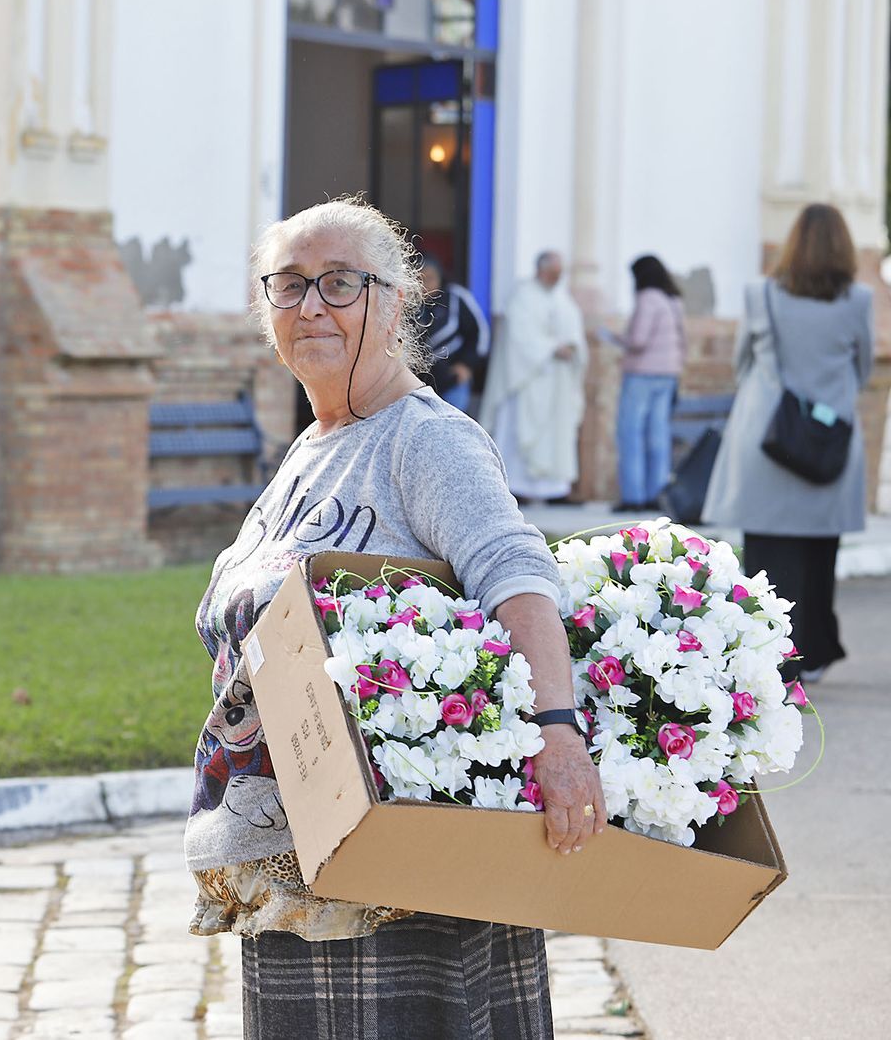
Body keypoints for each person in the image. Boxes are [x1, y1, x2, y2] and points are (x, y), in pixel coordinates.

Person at [187, 196, 605, 1038]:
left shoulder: (425, 439)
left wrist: (559, 734)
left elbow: (518, 575)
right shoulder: (309, 449)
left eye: (340, 284)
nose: (310, 306)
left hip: (402, 880)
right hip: (294, 868)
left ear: (396, 301)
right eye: (290, 284)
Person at [704, 203, 872, 685]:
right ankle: (815, 652)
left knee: (765, 558)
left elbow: (742, 365)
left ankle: (771, 653)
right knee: (820, 555)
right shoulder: (858, 300)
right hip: (829, 445)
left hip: (769, 440)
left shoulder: (761, 295)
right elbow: (861, 368)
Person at [481, 250, 588, 504]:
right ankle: (519, 487)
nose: (556, 278)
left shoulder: (562, 299)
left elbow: (575, 334)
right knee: (521, 433)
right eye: (553, 273)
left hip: (557, 383)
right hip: (528, 380)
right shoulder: (523, 297)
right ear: (540, 270)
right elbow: (520, 340)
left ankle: (554, 490)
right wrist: (552, 348)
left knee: (556, 437)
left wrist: (573, 348)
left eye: (560, 274)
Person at [611, 255, 686, 511]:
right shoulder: (673, 300)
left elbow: (639, 341)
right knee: (659, 436)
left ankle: (633, 496)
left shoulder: (647, 299)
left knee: (630, 433)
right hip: (668, 374)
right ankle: (657, 493)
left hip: (642, 374)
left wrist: (619, 339)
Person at [416, 253, 490, 413]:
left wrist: (467, 365)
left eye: (430, 278)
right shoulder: (409, 302)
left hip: (453, 380)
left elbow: (479, 334)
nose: (425, 284)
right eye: (420, 279)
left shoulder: (456, 297)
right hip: (419, 383)